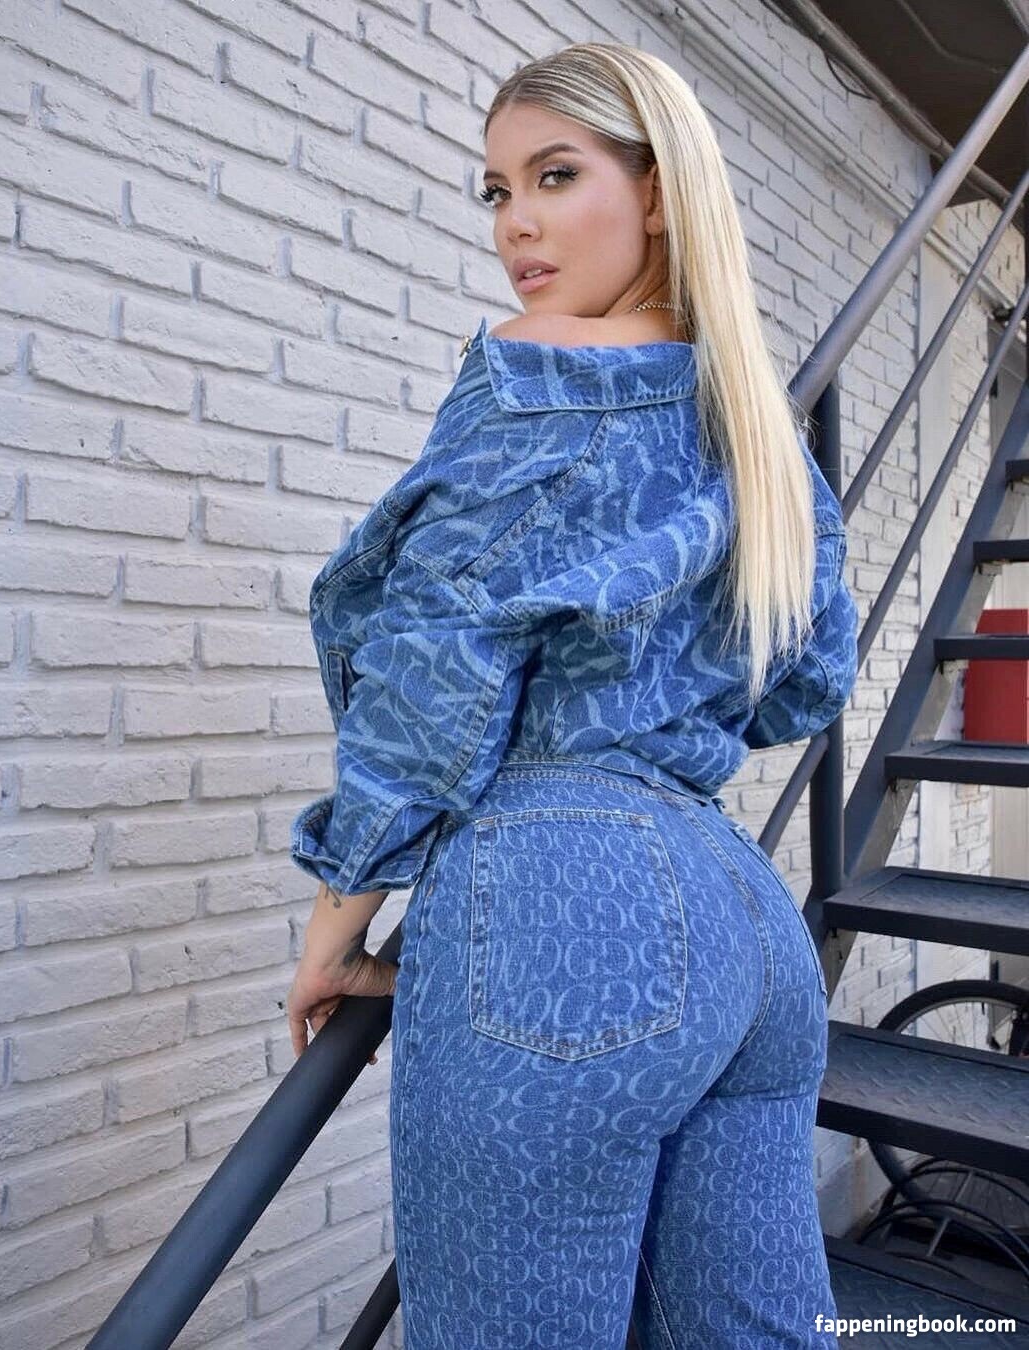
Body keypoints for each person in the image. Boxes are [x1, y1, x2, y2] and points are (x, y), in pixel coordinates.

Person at [286, 40, 857, 1350]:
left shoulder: (533, 367)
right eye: (496, 191)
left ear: (657, 190)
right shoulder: (753, 426)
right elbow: (805, 682)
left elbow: (433, 662)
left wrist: (339, 918)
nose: (516, 224)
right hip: (742, 927)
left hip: (563, 908)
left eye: (555, 175)